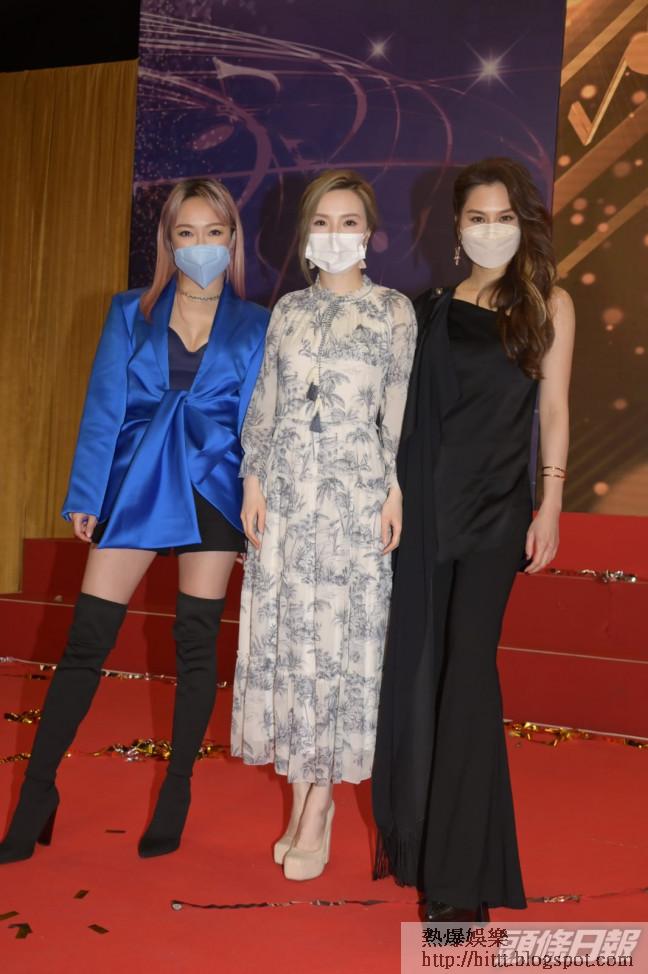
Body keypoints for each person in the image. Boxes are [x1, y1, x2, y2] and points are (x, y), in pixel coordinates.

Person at [0, 178, 270, 864]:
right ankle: (37, 792)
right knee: (86, 640)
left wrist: (257, 501)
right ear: (168, 241)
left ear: (232, 240)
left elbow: (259, 424)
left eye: (215, 232)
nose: (202, 245)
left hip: (215, 487)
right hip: (138, 482)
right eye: (187, 233)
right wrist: (86, 494)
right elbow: (104, 407)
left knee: (195, 644)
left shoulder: (258, 323)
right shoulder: (129, 311)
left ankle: (176, 791)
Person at [371, 157, 575, 920]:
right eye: (478, 218)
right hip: (425, 511)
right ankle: (439, 853)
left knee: (468, 675)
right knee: (423, 673)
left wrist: (551, 503)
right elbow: (397, 419)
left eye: (505, 218)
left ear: (525, 224)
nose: (492, 231)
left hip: (496, 514)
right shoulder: (425, 312)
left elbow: (554, 410)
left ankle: (456, 887)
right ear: (455, 229)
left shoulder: (548, 303)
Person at [232, 169, 417, 881]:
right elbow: (267, 402)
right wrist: (253, 481)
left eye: (349, 222)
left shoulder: (394, 312)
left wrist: (393, 490)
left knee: (339, 648)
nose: (335, 234)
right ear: (305, 232)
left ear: (369, 232)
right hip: (286, 497)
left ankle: (319, 807)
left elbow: (398, 412)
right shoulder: (287, 310)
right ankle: (306, 799)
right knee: (295, 648)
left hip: (355, 499)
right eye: (322, 222)